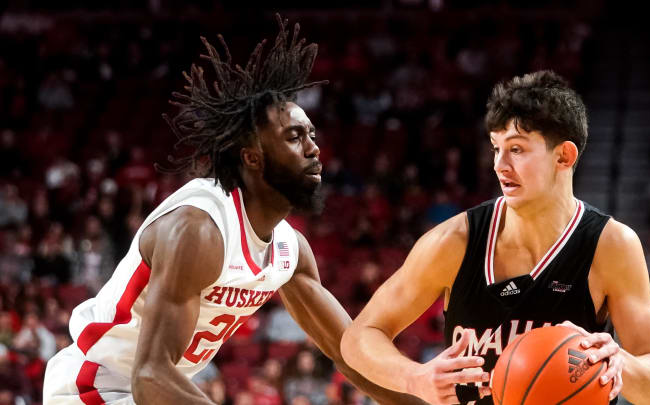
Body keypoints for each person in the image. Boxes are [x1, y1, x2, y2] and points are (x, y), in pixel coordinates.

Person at [43, 15, 423, 405]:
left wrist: (423, 398)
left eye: (312, 134)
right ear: (252, 157)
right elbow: (151, 376)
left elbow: (352, 356)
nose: (314, 148)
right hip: (92, 389)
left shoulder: (290, 251)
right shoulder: (200, 228)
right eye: (294, 136)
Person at [342, 71, 650, 405]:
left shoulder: (610, 245)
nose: (500, 165)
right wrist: (415, 378)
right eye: (495, 148)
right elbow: (359, 337)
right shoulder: (454, 241)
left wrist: (621, 364)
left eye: (516, 149)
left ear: (564, 156)